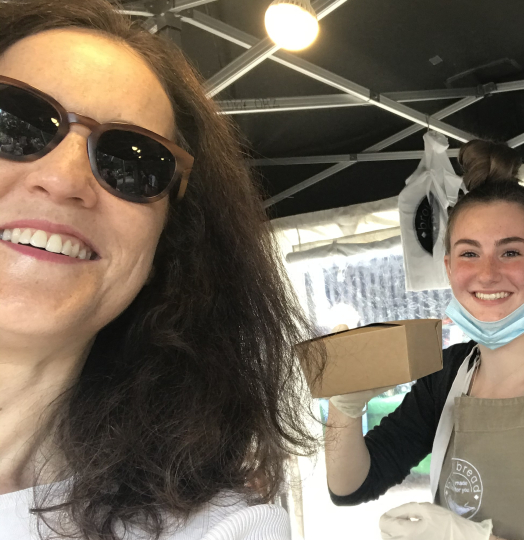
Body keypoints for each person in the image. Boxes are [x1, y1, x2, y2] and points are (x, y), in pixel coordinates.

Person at [0, 1, 321, 539]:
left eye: (133, 162)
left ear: (166, 249)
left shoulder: (220, 528)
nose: (64, 179)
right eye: (16, 121)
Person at [325, 140, 524, 540]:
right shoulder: (444, 378)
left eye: (511, 252)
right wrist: (344, 406)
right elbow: (351, 485)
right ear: (448, 268)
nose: (486, 274)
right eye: (469, 254)